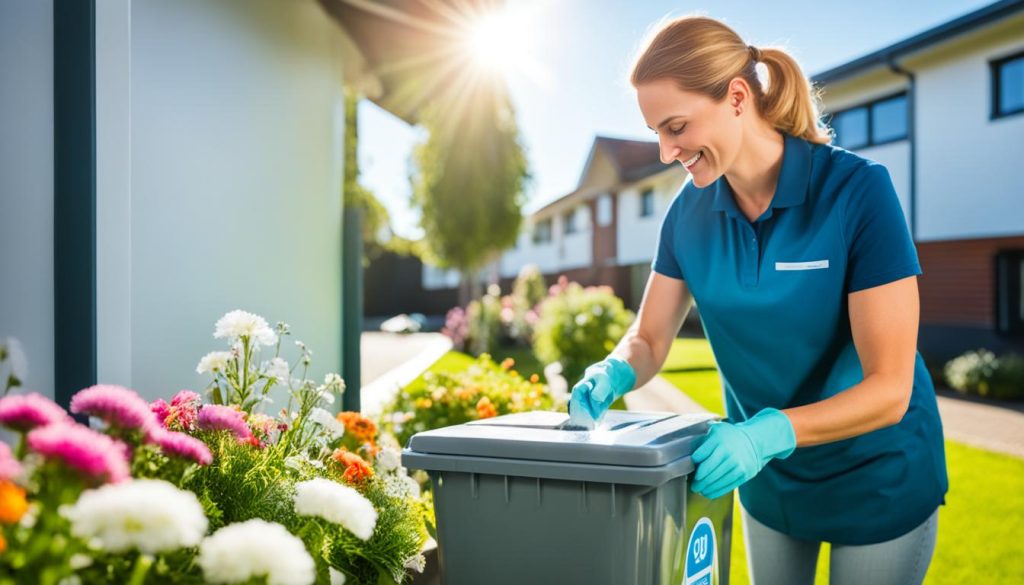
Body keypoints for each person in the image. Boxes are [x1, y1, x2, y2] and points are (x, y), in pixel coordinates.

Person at [567, 15, 948, 585]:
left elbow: (889, 389)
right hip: (767, 478)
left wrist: (763, 432)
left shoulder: (856, 192)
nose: (668, 152)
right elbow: (649, 338)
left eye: (676, 126)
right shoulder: (687, 215)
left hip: (876, 473)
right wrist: (615, 370)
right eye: (658, 135)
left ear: (738, 97)